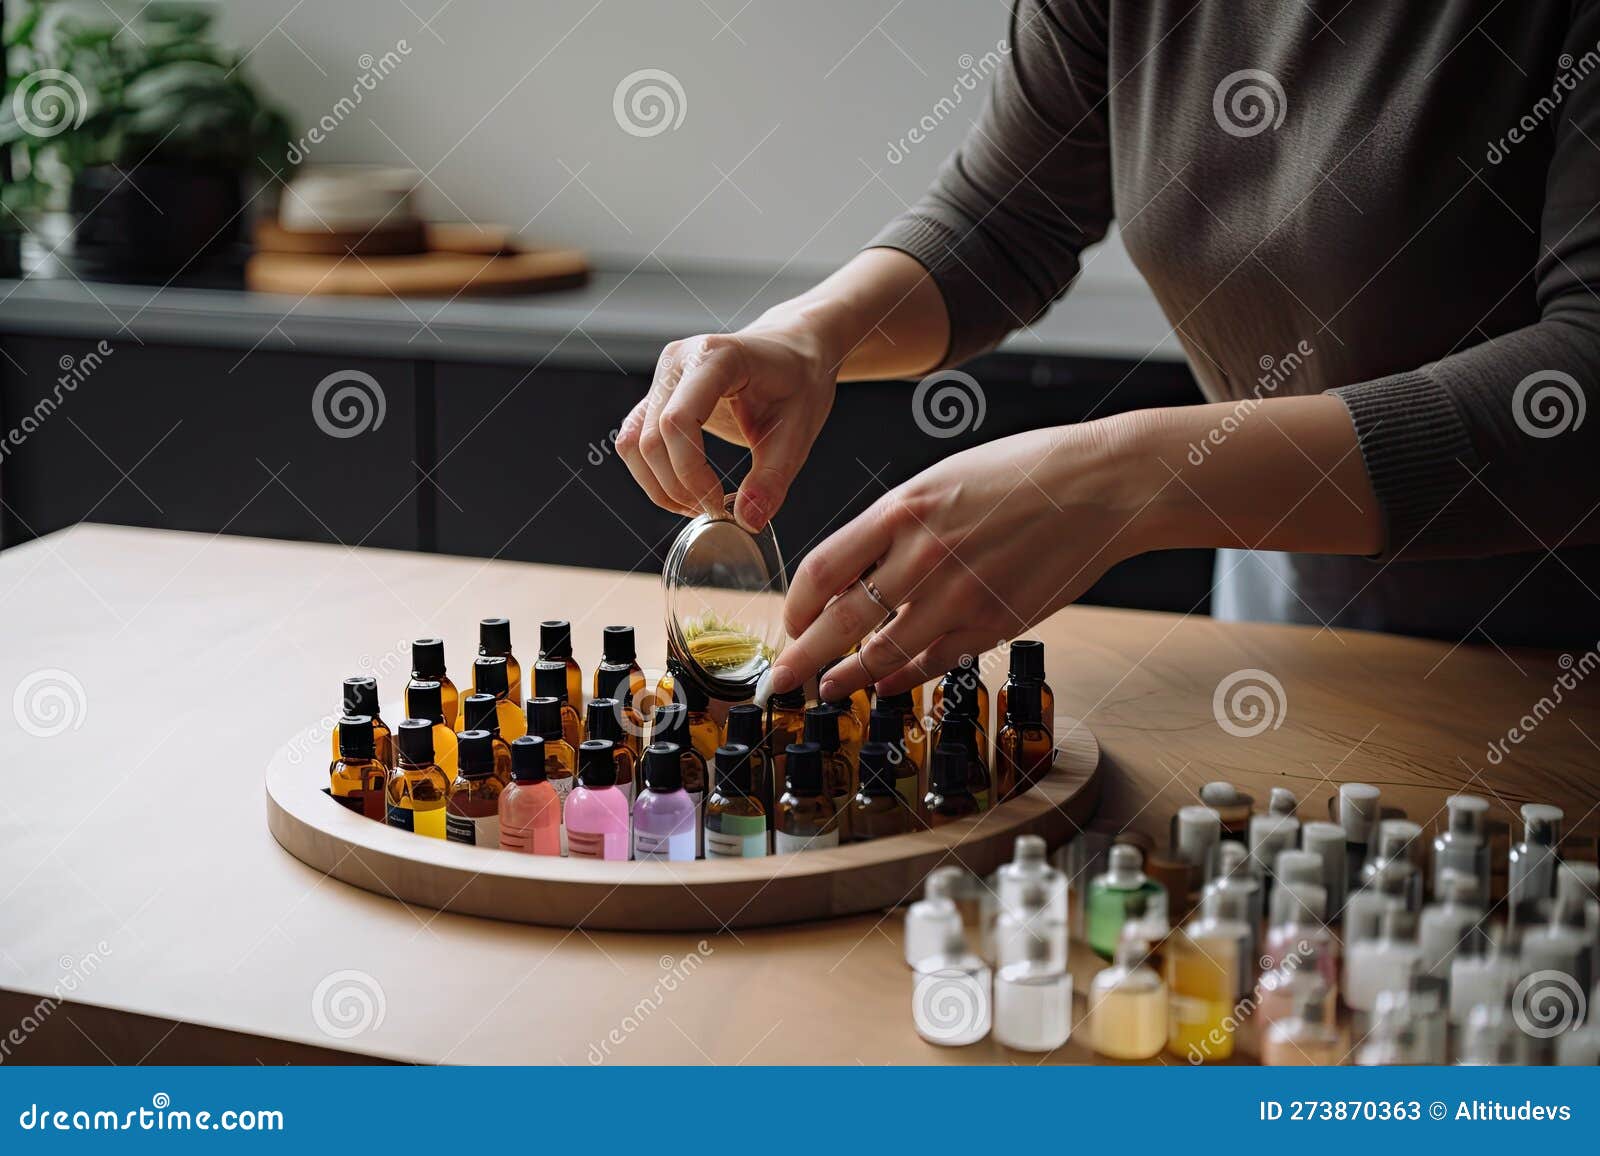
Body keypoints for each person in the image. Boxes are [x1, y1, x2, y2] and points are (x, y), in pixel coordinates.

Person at [617, 0, 1600, 703]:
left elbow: (1579, 389)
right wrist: (807, 334)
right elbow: (1007, 221)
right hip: (1288, 603)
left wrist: (1110, 481)